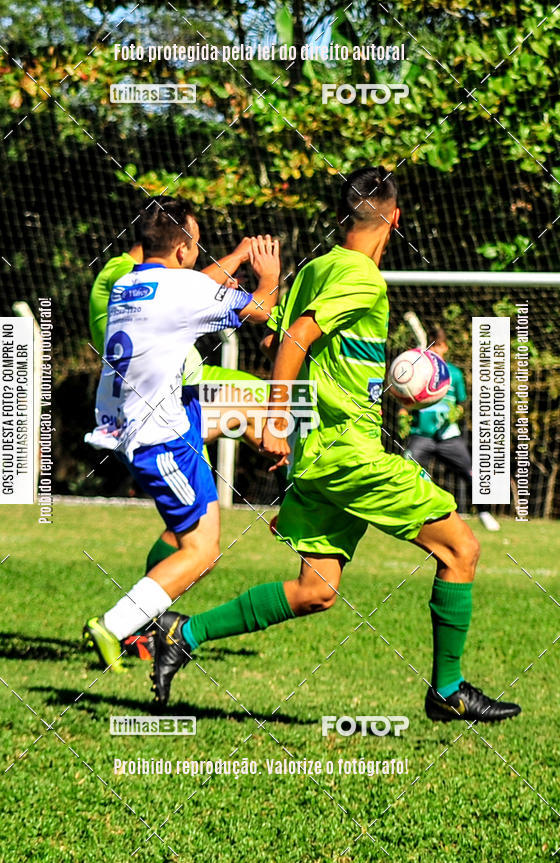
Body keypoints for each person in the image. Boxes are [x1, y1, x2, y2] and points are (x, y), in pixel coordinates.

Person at [151, 167, 521, 723]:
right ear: (393, 219)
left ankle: (185, 633)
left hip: (321, 452)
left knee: (316, 590)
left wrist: (381, 392)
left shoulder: (316, 268)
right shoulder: (364, 278)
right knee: (461, 549)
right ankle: (448, 690)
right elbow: (296, 339)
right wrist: (276, 420)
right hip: (349, 455)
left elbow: (279, 339)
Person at [83, 198, 280, 671]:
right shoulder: (185, 290)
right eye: (195, 244)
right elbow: (259, 310)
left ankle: (136, 625)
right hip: (163, 438)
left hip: (145, 427)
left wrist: (233, 257)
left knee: (193, 536)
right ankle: (115, 626)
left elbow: (187, 286)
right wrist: (268, 275)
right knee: (201, 550)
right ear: (184, 249)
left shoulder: (128, 283)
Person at [399, 329, 500, 532]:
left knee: (472, 473)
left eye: (438, 345)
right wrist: (403, 415)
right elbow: (406, 398)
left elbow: (462, 402)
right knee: (405, 471)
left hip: (448, 436)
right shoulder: (419, 370)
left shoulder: (454, 373)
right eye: (432, 345)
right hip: (422, 434)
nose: (435, 349)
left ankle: (483, 511)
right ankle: (403, 512)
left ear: (445, 347)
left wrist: (457, 412)